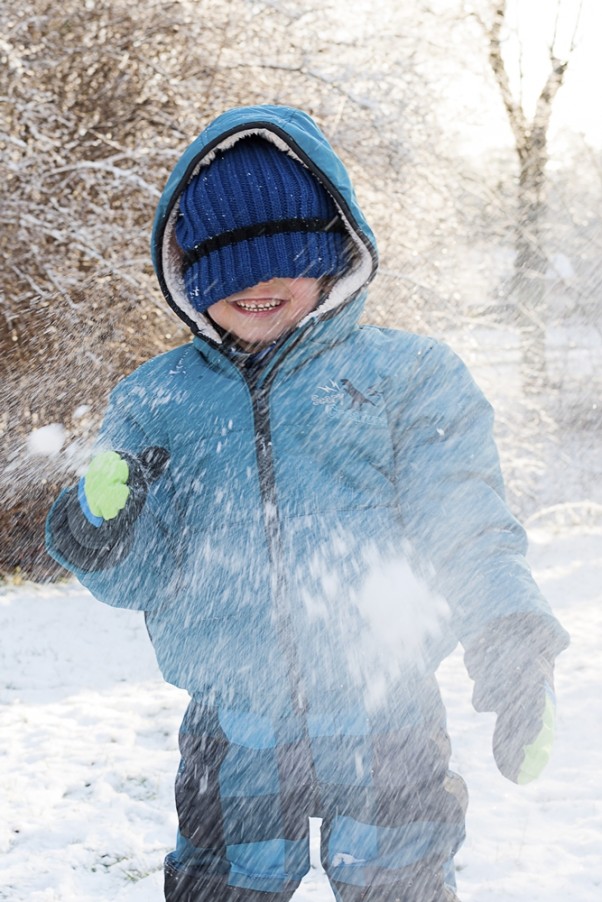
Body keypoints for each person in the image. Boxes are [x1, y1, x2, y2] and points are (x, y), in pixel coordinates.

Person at [46, 105, 569, 902]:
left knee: (401, 887)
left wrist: (510, 647)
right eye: (227, 267)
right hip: (235, 725)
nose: (255, 285)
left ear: (332, 251)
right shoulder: (155, 403)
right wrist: (99, 527)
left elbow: (464, 526)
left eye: (280, 259)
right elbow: (136, 578)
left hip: (387, 713)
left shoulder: (408, 378)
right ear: (189, 273)